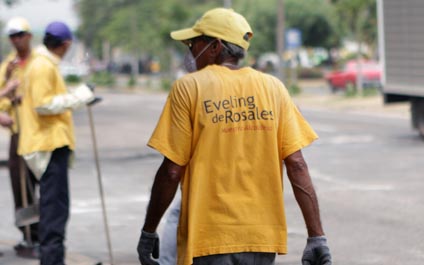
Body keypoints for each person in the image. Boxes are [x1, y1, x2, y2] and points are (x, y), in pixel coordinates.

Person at [137, 7, 332, 265]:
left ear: (215, 46)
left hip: (208, 239)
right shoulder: (273, 88)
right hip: (261, 239)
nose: (191, 50)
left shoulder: (189, 87)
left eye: (194, 42)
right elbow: (296, 164)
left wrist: (149, 231)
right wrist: (316, 236)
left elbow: (172, 171)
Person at [16, 21, 95, 265]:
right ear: (66, 44)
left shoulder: (42, 63)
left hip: (47, 144)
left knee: (53, 210)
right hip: (48, 145)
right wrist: (80, 97)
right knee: (54, 213)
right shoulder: (42, 66)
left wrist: (77, 95)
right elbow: (43, 104)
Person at [0, 16, 40, 258]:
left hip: (40, 135)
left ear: (29, 36)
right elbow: (2, 98)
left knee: (44, 187)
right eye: (13, 36)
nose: (17, 40)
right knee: (20, 187)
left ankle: (45, 236)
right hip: (18, 134)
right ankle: (29, 236)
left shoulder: (40, 63)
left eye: (20, 35)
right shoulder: (8, 65)